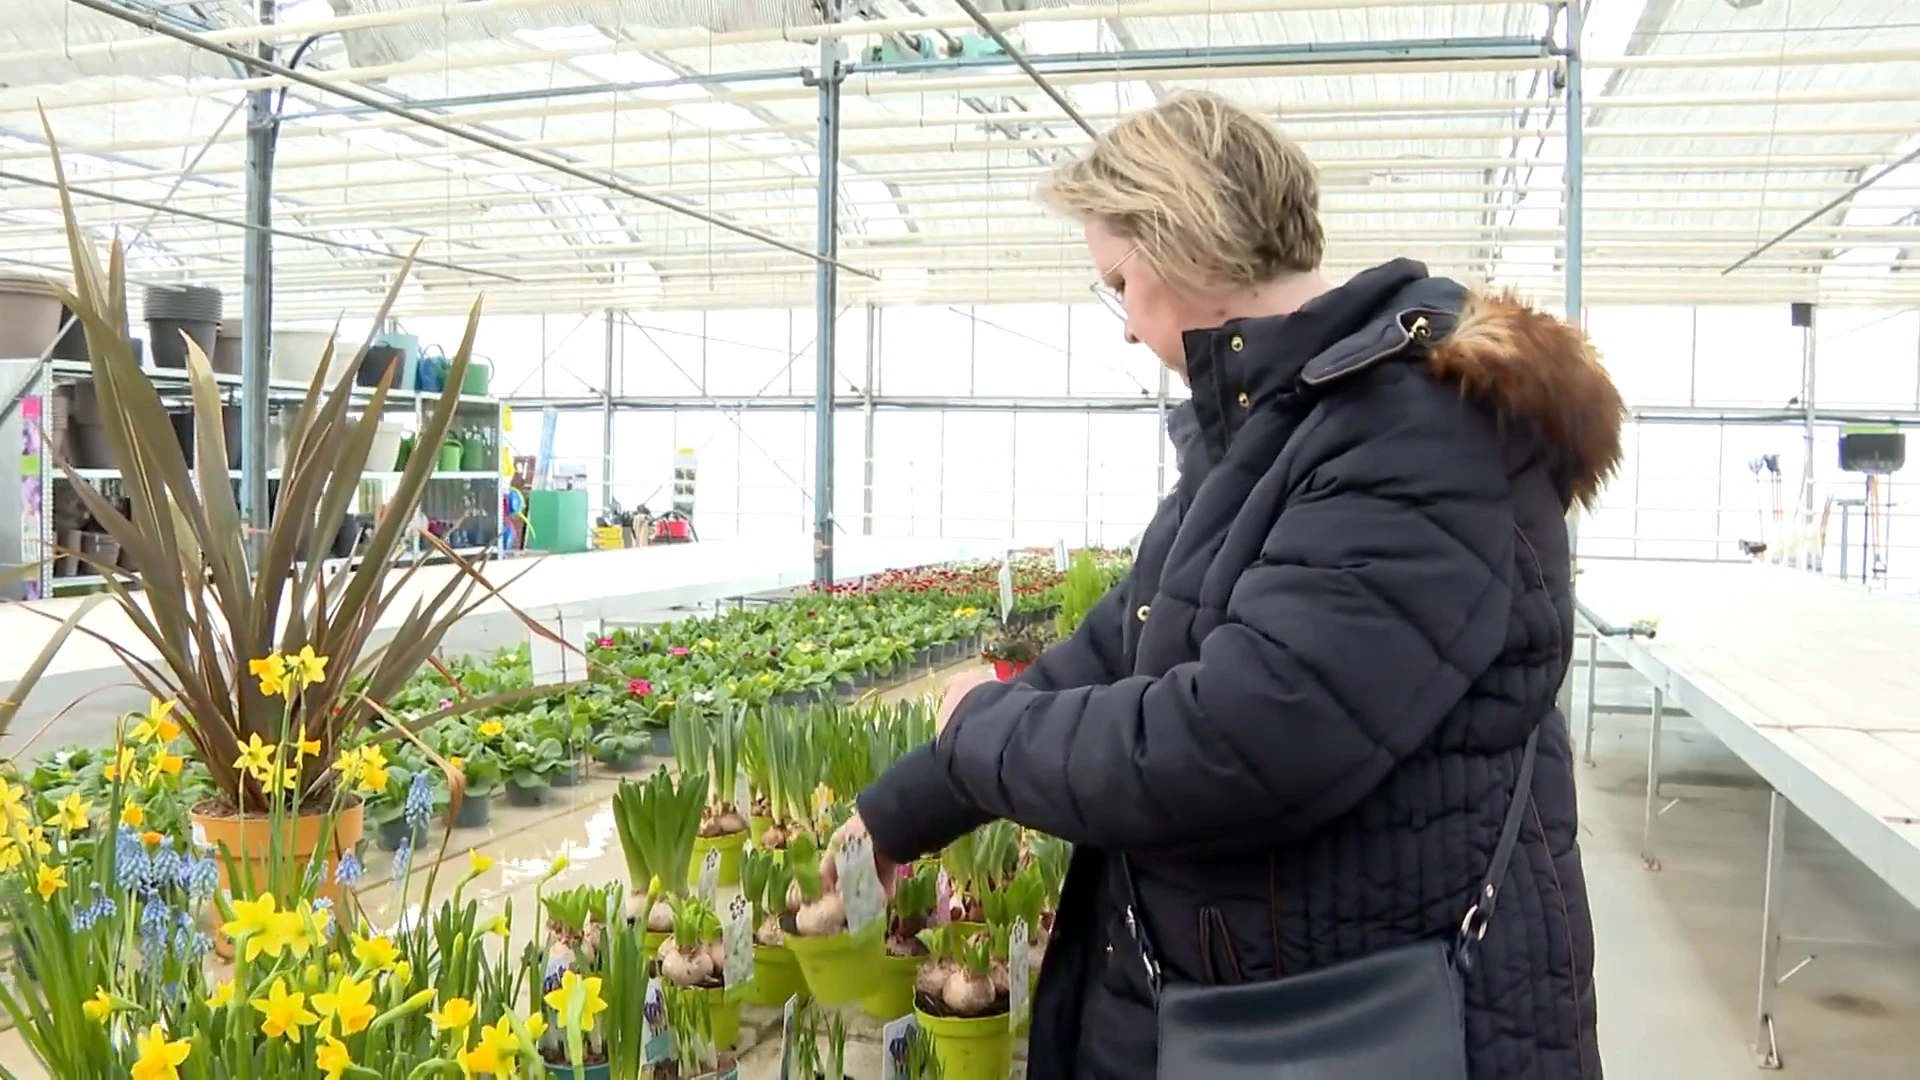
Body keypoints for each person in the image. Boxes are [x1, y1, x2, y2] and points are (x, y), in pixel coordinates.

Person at [830, 91, 1618, 1079]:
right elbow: (1126, 636)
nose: (1123, 326)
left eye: (1119, 281)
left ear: (1184, 244)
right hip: (1250, 998)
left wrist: (979, 733)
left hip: (1352, 1020)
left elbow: (1236, 742)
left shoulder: (1415, 433)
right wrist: (900, 811)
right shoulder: (1284, 425)